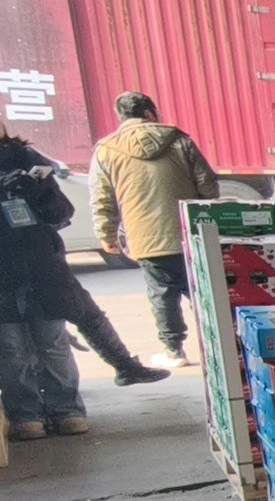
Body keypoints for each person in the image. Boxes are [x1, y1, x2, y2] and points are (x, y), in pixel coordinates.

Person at [2, 122, 168, 437]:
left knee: (52, 342)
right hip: (4, 273)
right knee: (11, 349)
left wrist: (36, 191)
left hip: (42, 267)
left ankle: (67, 410)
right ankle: (26, 416)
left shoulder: (27, 158)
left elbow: (61, 212)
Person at [89, 91, 218, 369]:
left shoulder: (106, 150)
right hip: (190, 233)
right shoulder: (180, 140)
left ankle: (174, 350)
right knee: (202, 290)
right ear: (149, 113)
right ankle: (219, 346)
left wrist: (106, 235)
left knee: (162, 293)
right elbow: (207, 184)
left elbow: (101, 198)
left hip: (145, 237)